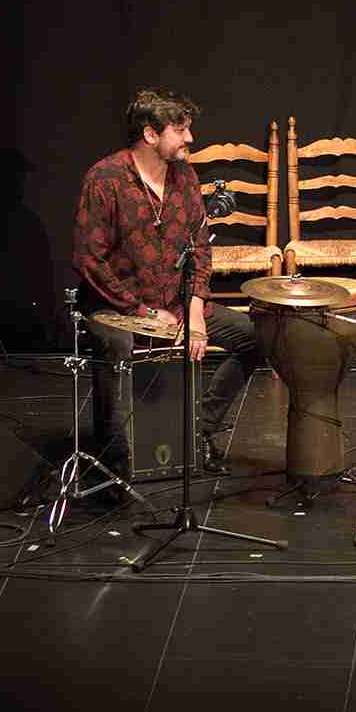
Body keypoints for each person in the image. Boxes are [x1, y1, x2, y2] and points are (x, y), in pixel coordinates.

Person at [73, 88, 263, 482]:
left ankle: (200, 431)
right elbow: (89, 258)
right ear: (150, 135)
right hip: (119, 307)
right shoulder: (105, 179)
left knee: (255, 338)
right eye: (180, 130)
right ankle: (115, 460)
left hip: (176, 303)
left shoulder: (185, 176)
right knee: (116, 346)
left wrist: (194, 310)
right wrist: (140, 311)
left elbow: (200, 249)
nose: (190, 139)